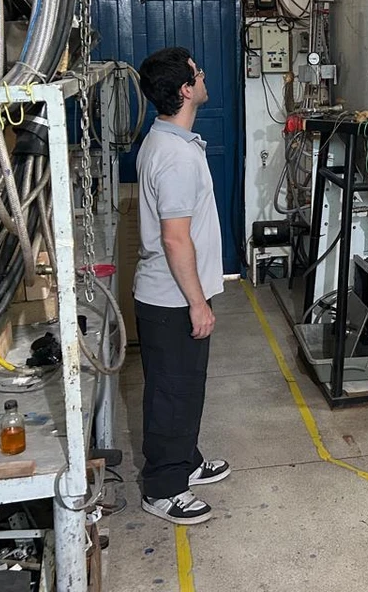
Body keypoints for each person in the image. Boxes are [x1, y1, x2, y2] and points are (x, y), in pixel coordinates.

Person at [134, 46, 230, 524]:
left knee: (184, 387)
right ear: (186, 90)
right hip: (172, 298)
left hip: (173, 295)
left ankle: (185, 459)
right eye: (197, 72)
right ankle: (164, 486)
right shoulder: (174, 157)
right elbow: (175, 239)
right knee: (173, 391)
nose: (203, 74)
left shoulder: (173, 142)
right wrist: (197, 303)